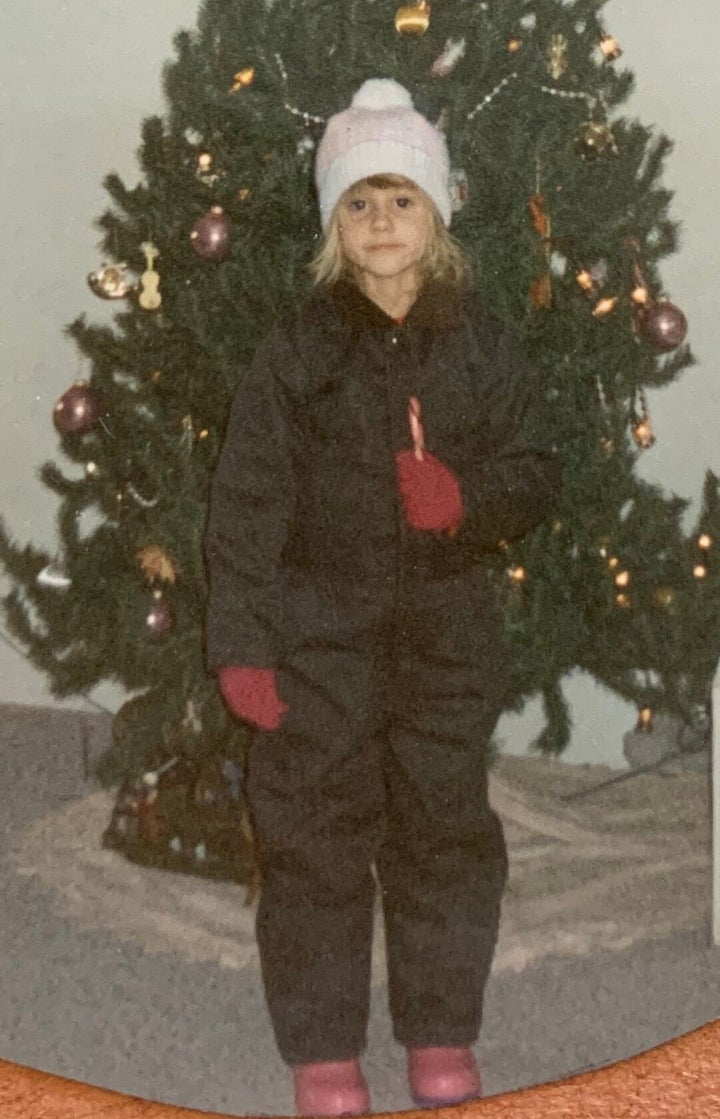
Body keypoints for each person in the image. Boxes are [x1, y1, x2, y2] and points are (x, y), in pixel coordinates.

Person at [204, 78, 562, 1116]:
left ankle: (440, 1026)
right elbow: (248, 504)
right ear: (332, 225)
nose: (380, 220)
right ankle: (323, 1047)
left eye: (402, 197)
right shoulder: (299, 354)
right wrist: (243, 645)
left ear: (439, 212)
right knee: (312, 838)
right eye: (358, 200)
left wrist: (463, 499)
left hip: (446, 647)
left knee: (444, 837)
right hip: (319, 646)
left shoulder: (482, 344)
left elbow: (535, 470)